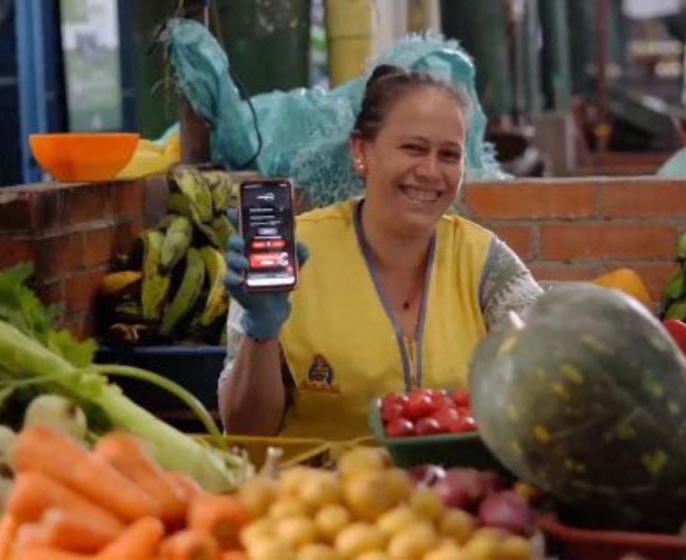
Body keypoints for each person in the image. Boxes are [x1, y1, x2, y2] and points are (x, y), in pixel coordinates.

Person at [218, 65, 542, 440]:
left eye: (449, 155)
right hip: (318, 492)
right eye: (413, 149)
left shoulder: (485, 262)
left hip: (454, 493)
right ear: (361, 151)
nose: (431, 171)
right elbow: (244, 428)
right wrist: (261, 332)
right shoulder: (295, 253)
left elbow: (547, 367)